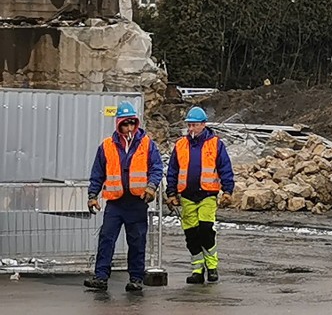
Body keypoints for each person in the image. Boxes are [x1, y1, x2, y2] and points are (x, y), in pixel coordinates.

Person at [84, 101, 163, 292]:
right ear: (118, 124)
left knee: (137, 240)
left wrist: (151, 187)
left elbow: (156, 168)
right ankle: (101, 277)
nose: (128, 128)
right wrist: (93, 195)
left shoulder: (147, 144)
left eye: (131, 123)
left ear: (136, 123)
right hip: (115, 202)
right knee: (106, 238)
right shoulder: (106, 146)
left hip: (137, 201)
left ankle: (136, 278)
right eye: (125, 124)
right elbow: (98, 173)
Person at [165, 106, 235, 284]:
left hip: (207, 195)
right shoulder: (180, 145)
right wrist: (171, 192)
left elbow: (225, 168)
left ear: (203, 124)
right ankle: (197, 268)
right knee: (191, 234)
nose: (191, 129)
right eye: (189, 125)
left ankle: (211, 266)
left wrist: (227, 190)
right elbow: (173, 170)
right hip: (187, 196)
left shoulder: (215, 144)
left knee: (205, 230)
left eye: (194, 125)